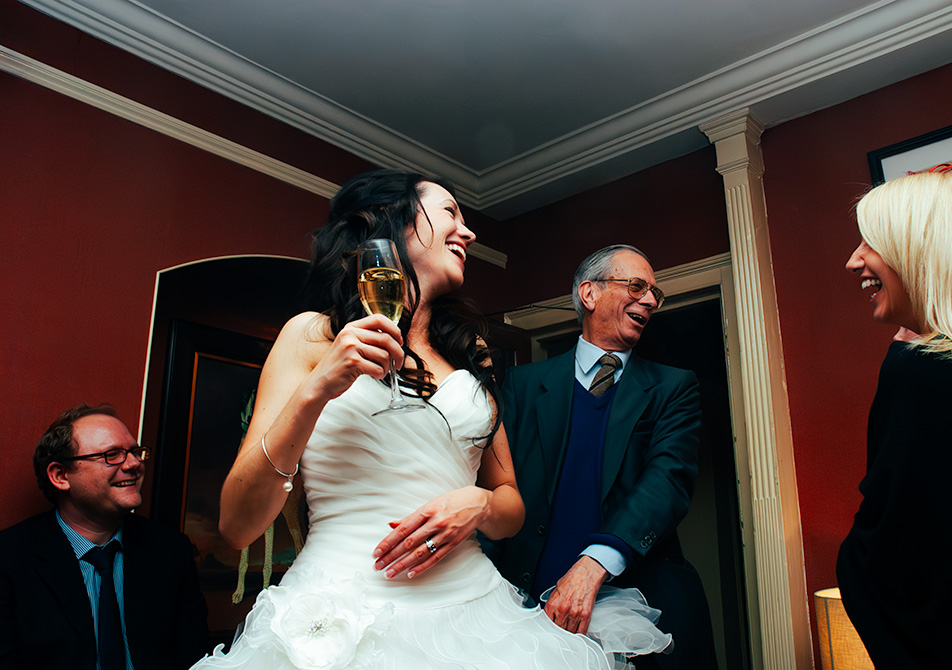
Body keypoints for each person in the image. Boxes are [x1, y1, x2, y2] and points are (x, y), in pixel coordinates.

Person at [191, 170, 667, 670]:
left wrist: (479, 504)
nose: (469, 232)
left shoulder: (471, 352)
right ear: (392, 222)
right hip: (343, 615)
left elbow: (510, 503)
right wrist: (318, 389)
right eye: (449, 213)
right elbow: (237, 526)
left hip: (476, 619)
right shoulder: (310, 336)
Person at [488, 245, 717, 669]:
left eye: (654, 293)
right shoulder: (523, 385)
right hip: (526, 609)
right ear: (589, 294)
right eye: (637, 286)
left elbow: (668, 480)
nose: (650, 301)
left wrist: (594, 564)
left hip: (639, 607)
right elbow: (498, 483)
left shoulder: (674, 387)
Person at [838, 165, 952, 667]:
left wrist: (904, 358)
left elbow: (892, 556)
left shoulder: (925, 374)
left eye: (871, 242)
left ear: (924, 249)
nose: (853, 261)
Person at [0, 403, 211, 670]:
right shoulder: (10, 558)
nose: (134, 464)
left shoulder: (170, 550)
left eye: (135, 452)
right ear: (61, 476)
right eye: (112, 455)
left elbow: (195, 659)